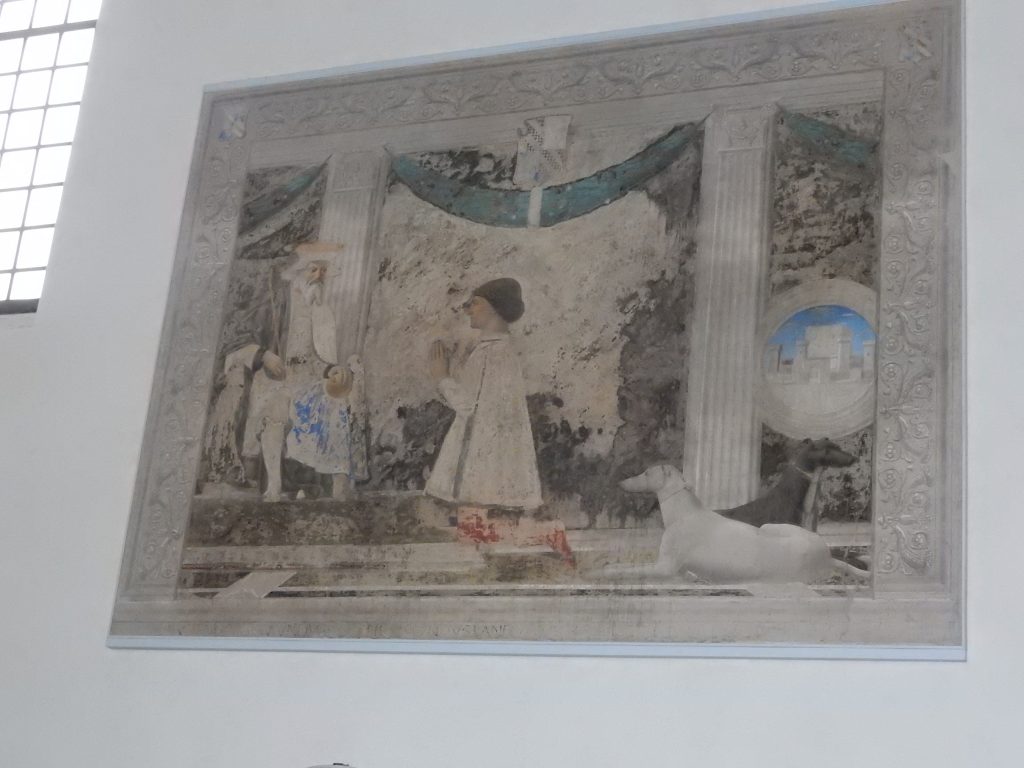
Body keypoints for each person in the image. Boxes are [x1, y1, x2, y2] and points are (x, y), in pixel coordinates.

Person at [424, 277, 543, 510]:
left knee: (475, 512)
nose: (468, 310)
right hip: (494, 459)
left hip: (483, 463)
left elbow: (467, 406)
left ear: (495, 307)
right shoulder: (503, 350)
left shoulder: (491, 353)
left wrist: (442, 377)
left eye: (475, 303)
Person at [287, 356, 369, 499]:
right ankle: (333, 488)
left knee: (339, 451)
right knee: (329, 452)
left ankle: (341, 488)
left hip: (338, 411)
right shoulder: (319, 390)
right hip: (327, 409)